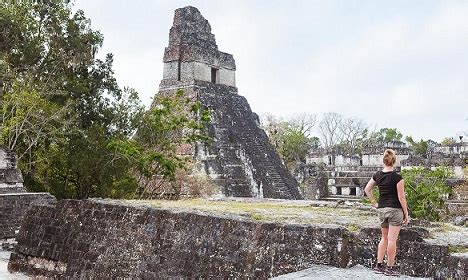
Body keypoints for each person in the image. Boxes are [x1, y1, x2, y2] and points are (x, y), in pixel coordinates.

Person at [364, 149, 409, 276]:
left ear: (383, 161)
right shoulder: (398, 178)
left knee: (384, 238)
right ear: (394, 162)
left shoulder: (377, 175)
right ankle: (389, 268)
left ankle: (378, 265)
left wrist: (374, 202)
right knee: (392, 240)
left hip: (382, 209)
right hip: (395, 210)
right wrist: (406, 213)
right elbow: (401, 197)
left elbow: (367, 189)